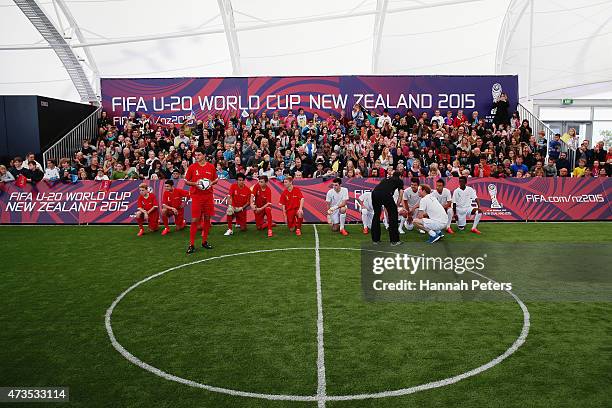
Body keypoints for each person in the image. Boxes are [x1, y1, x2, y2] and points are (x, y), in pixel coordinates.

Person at [184, 148, 218, 254]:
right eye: (196, 155)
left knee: (207, 219)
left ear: (204, 155)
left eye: (199, 155)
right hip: (197, 197)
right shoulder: (192, 167)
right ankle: (191, 244)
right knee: (195, 220)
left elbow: (216, 179)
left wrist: (211, 183)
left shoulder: (211, 167)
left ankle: (204, 241)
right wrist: (196, 184)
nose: (197, 157)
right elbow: (186, 181)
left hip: (208, 196)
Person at [371, 171, 404, 245]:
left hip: (374, 193)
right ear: (400, 176)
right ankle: (394, 240)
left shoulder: (386, 178)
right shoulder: (399, 180)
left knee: (376, 215)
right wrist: (397, 205)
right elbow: (401, 193)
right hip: (385, 194)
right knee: (393, 215)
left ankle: (375, 240)